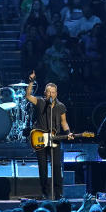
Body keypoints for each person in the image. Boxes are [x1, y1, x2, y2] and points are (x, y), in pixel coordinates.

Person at [25, 71, 73, 199]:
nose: (50, 94)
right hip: (40, 138)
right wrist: (31, 82)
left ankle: (58, 193)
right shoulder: (40, 102)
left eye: (53, 92)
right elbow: (28, 96)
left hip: (54, 139)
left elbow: (64, 122)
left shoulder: (61, 106)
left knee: (56, 166)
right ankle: (45, 192)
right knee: (43, 167)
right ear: (45, 92)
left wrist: (68, 133)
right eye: (48, 91)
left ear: (56, 93)